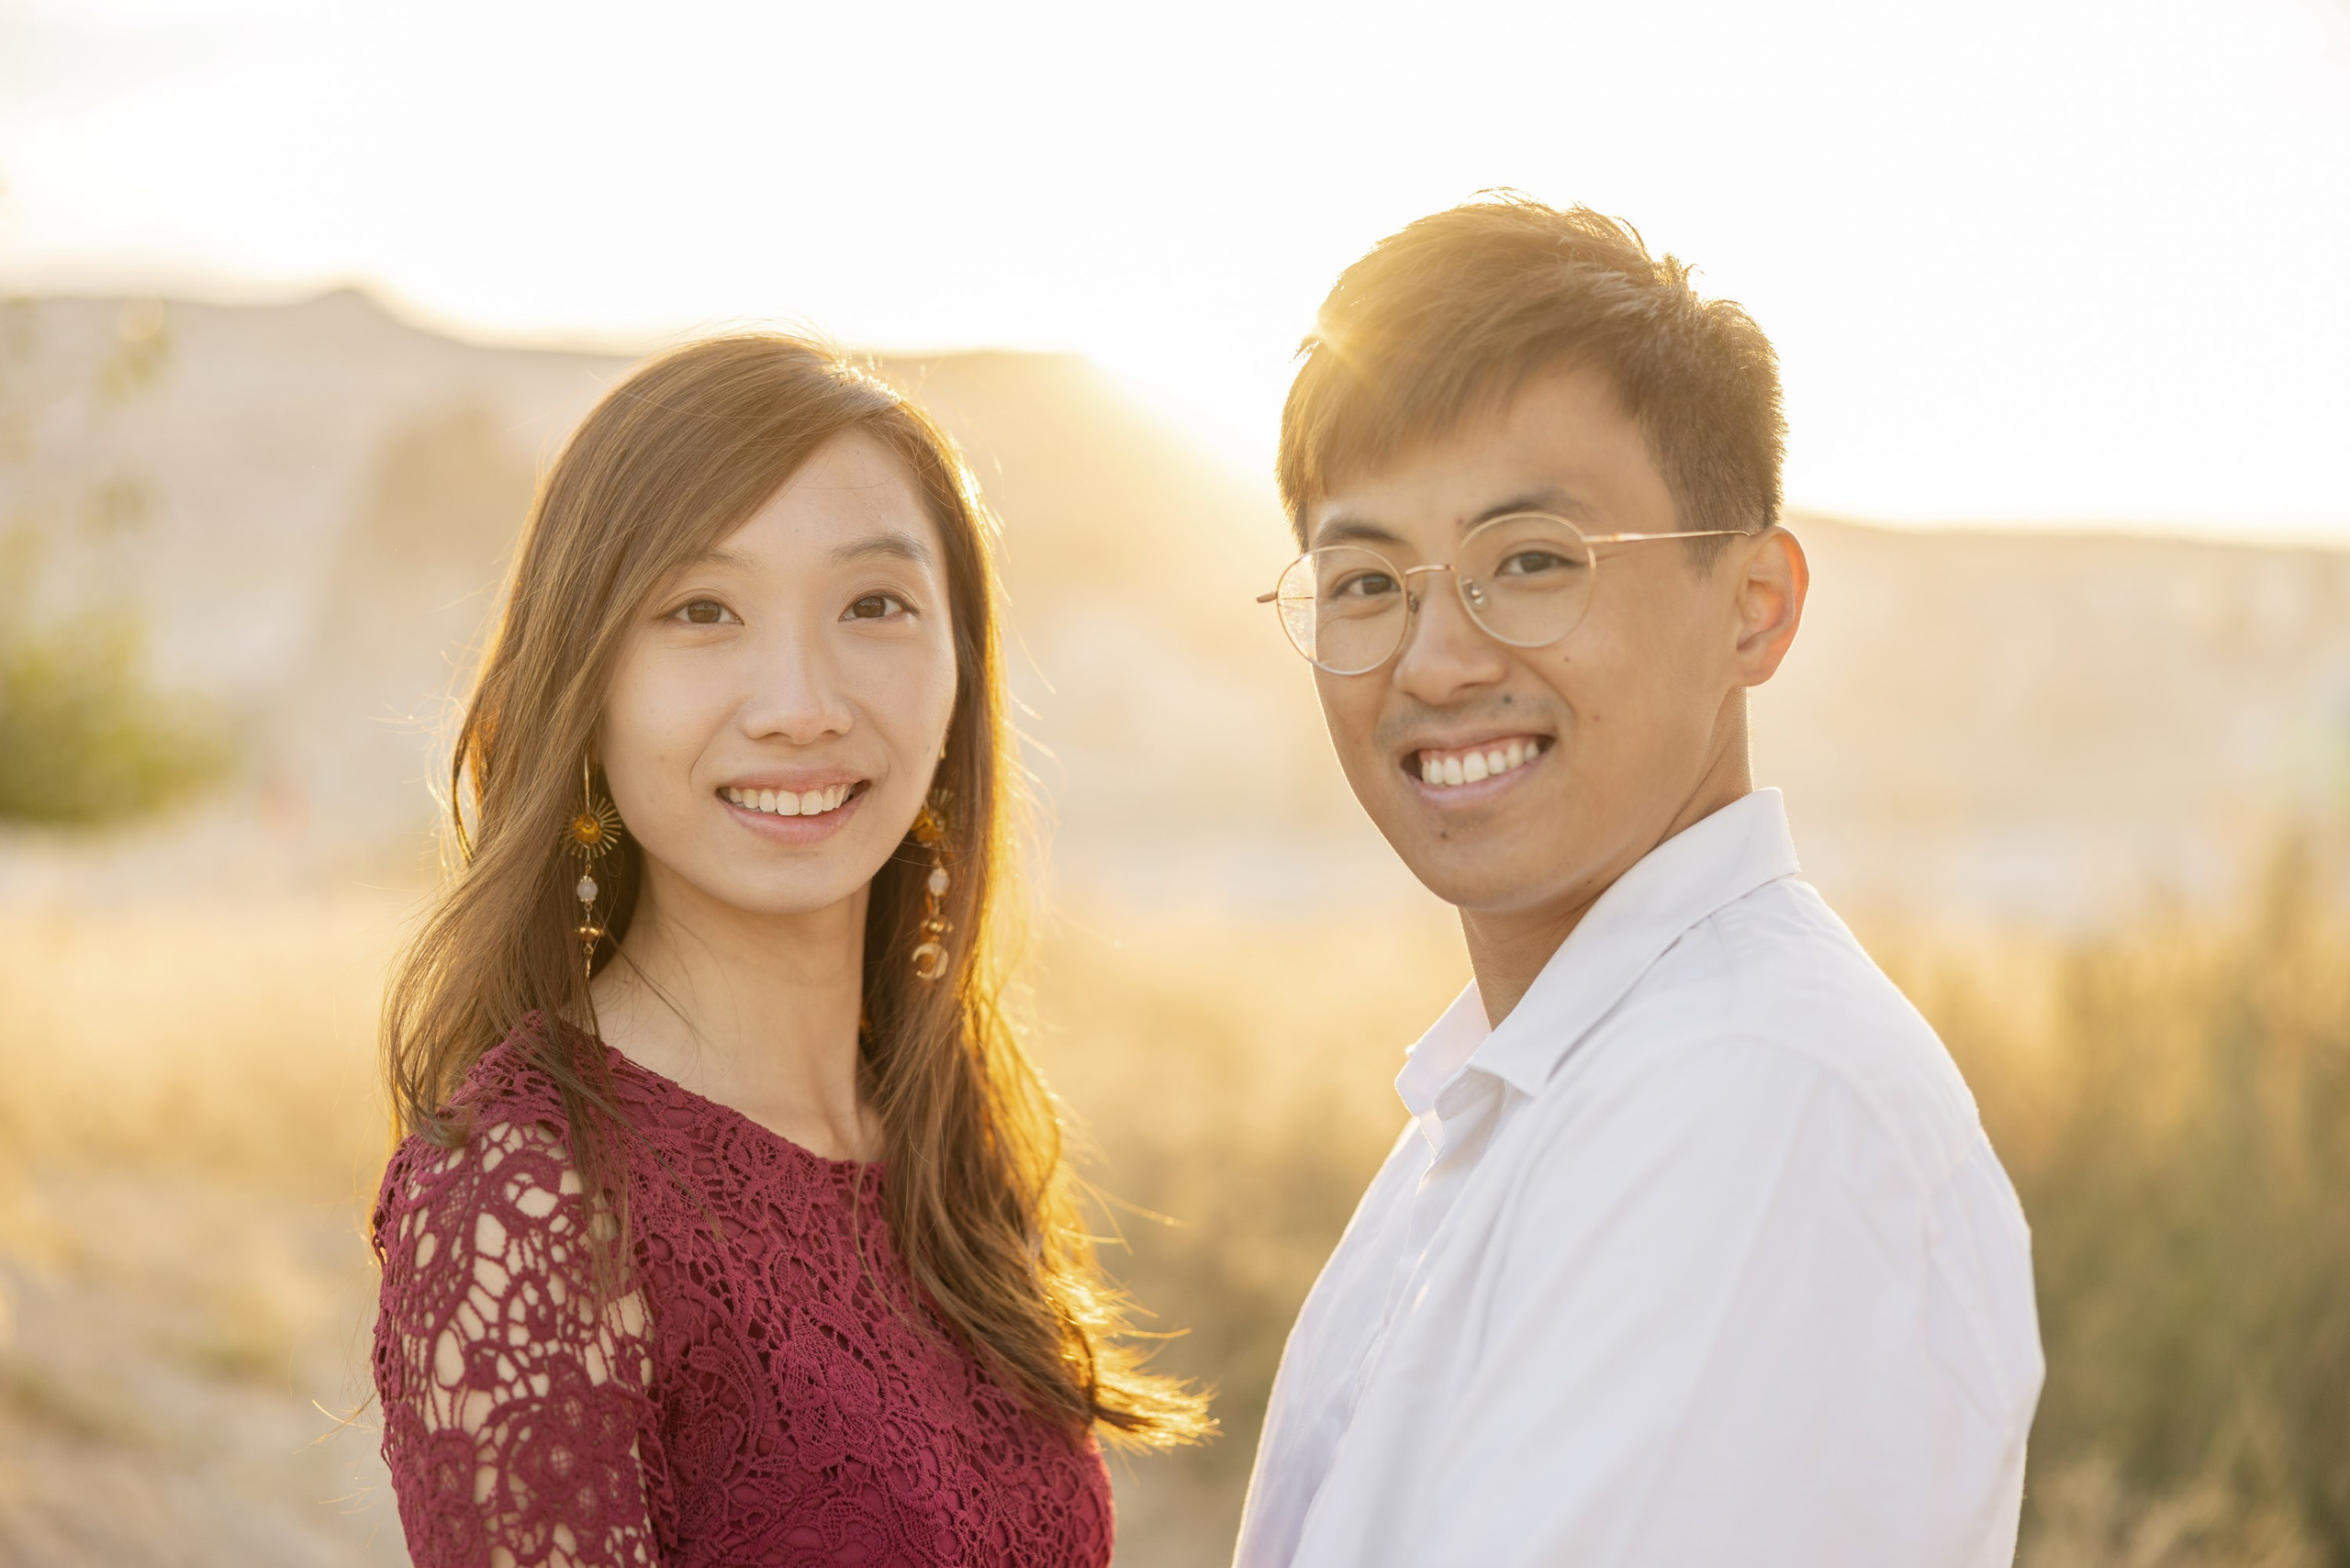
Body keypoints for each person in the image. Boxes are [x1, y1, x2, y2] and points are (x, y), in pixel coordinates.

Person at [1233, 196, 2043, 1568]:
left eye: (1533, 562)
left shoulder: (1753, 1097)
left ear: (1756, 606)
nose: (1435, 662)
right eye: (1367, 582)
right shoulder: (1533, 1083)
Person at [368, 334, 1205, 1567]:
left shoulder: (943, 1138)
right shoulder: (527, 1198)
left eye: (874, 605)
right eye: (702, 611)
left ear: (961, 670)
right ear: (589, 685)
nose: (801, 702)